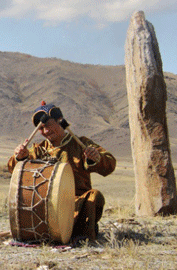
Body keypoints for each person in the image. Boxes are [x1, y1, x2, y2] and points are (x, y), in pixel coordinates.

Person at [8, 102, 116, 242]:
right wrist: (20, 157)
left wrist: (96, 158)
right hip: (45, 207)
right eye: (41, 128)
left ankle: (82, 235)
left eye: (48, 125)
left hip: (76, 204)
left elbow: (110, 163)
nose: (45, 131)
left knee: (94, 197)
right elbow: (13, 168)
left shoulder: (80, 144)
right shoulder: (37, 150)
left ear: (60, 121)